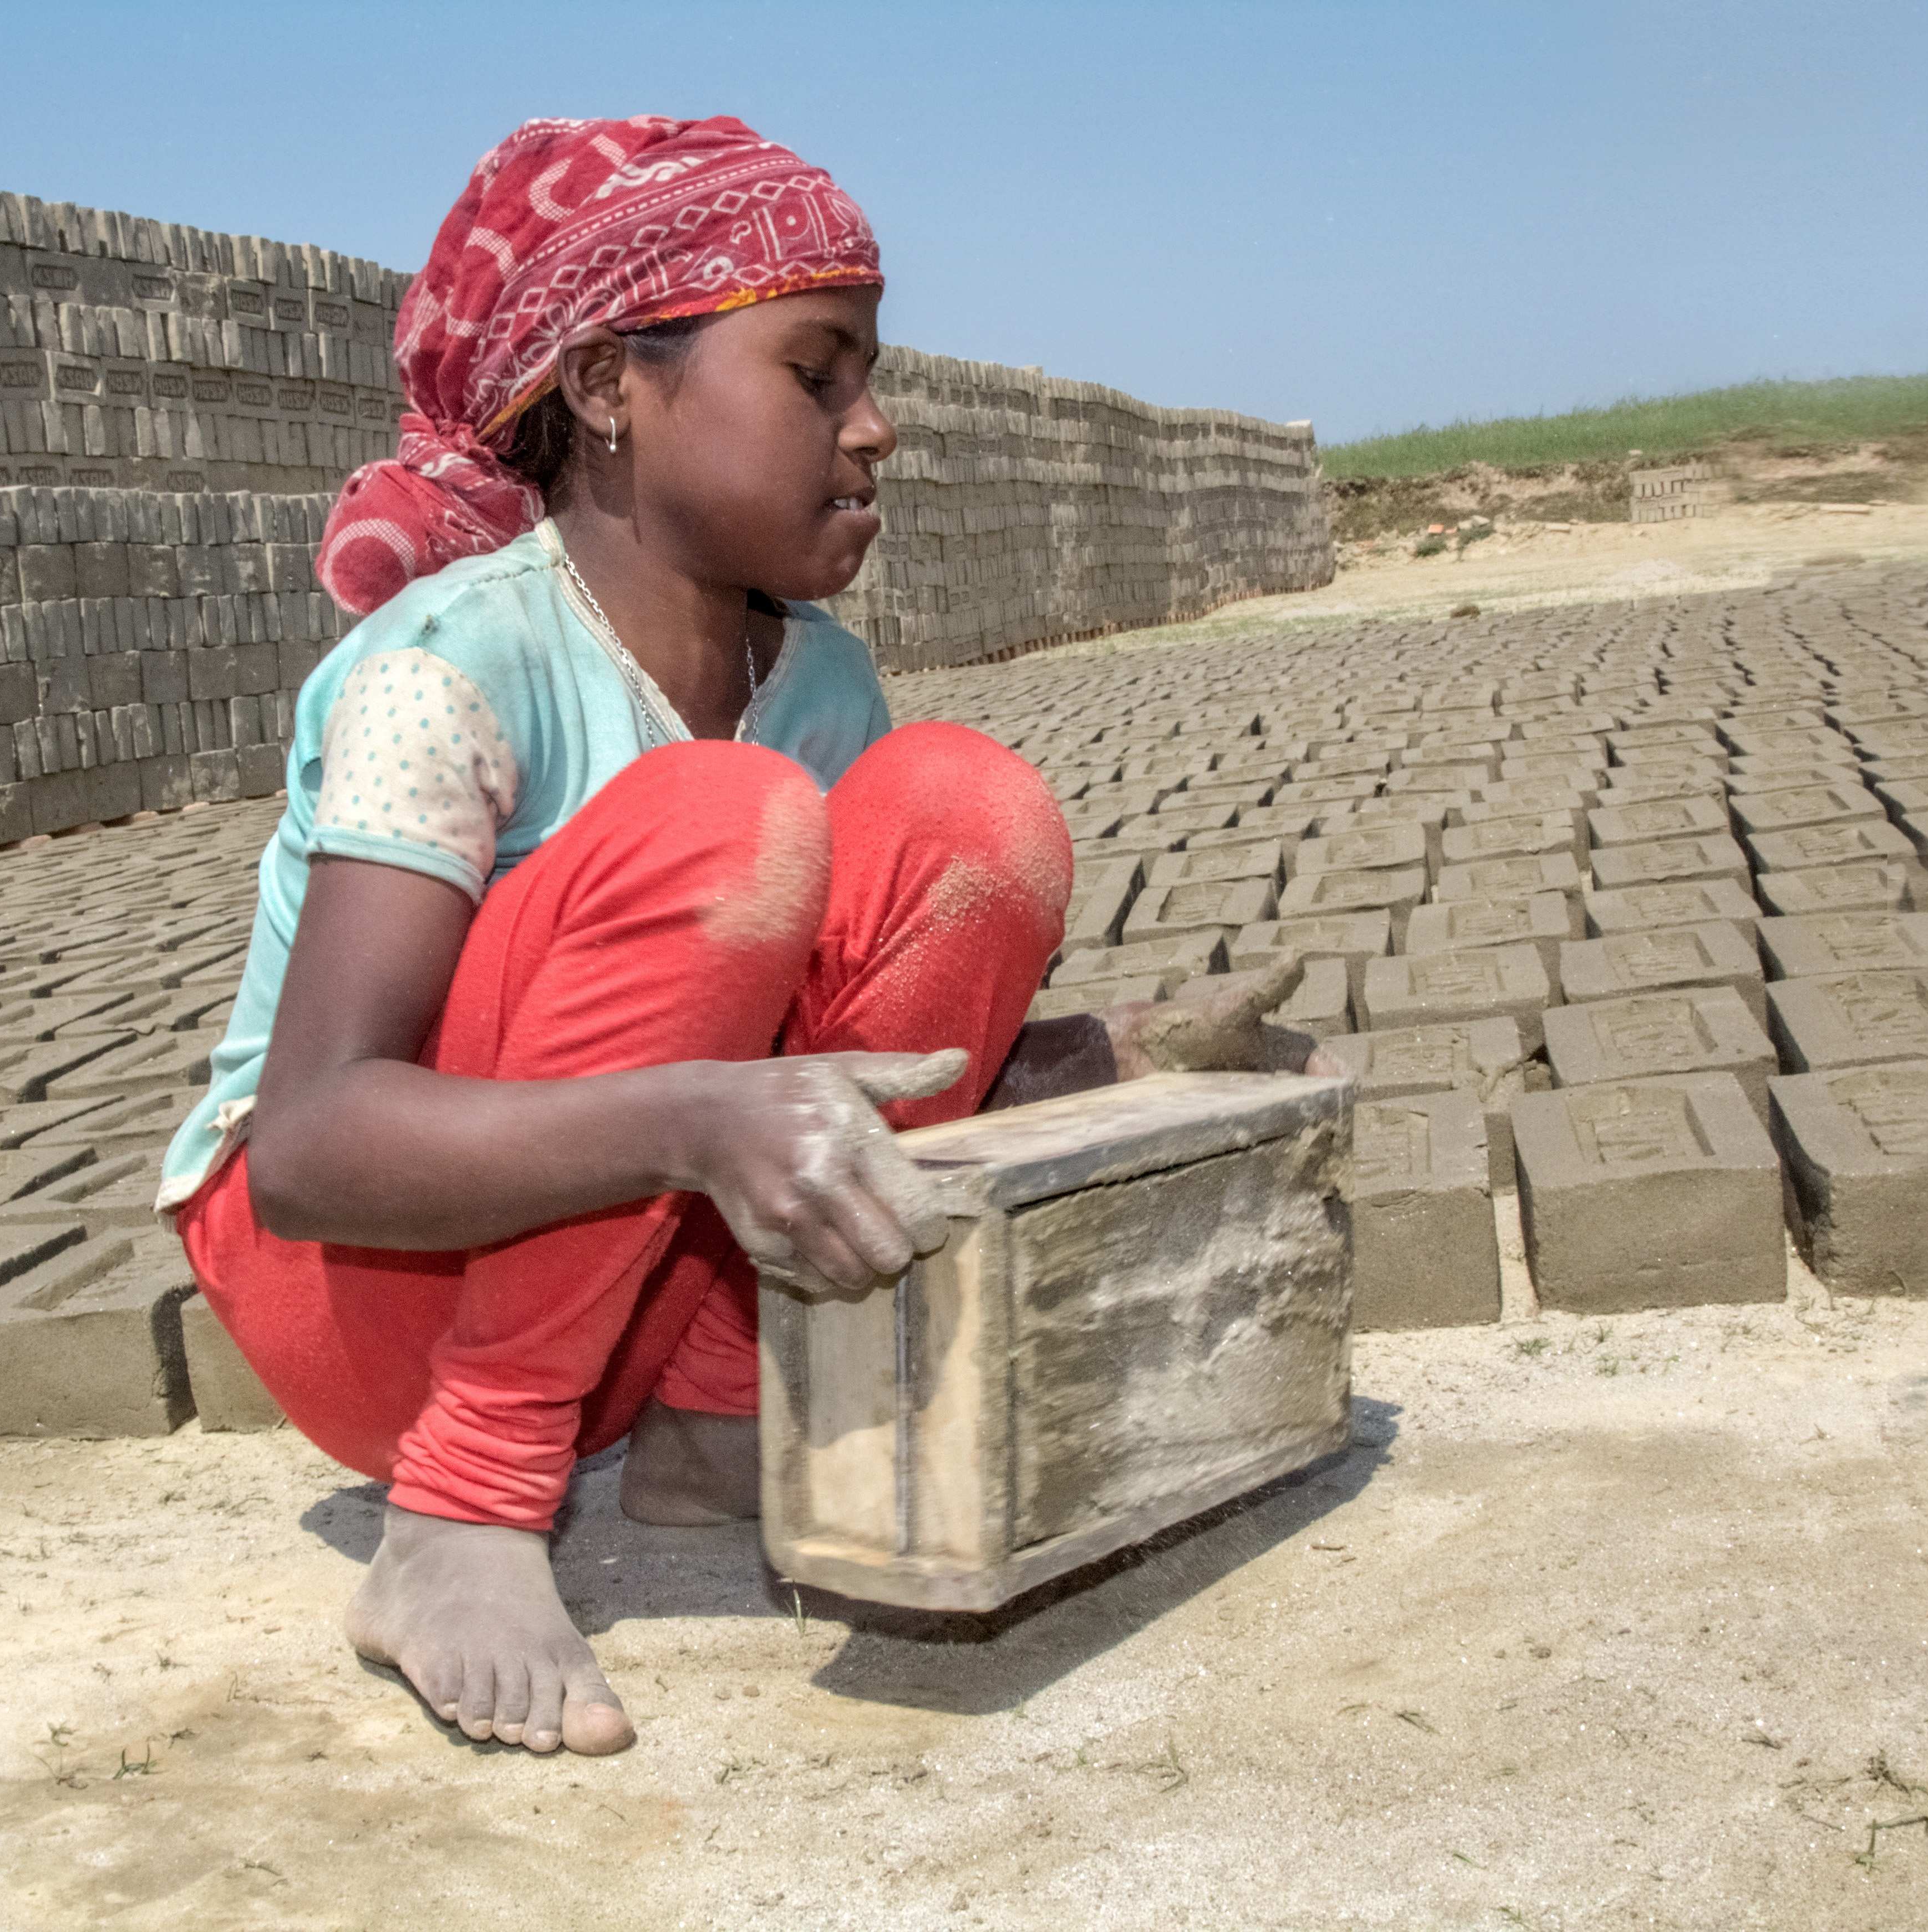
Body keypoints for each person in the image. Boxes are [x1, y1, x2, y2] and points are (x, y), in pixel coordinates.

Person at [161, 115, 1296, 1758]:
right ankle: (464, 1514)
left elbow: (826, 1050)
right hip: (362, 1291)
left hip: (629, 1290)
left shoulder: (820, 682)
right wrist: (695, 1115)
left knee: (971, 813)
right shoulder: (453, 665)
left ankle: (714, 1417)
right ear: (615, 388)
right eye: (817, 374)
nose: (876, 427)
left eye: (868, 377)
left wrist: (1106, 1056)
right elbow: (314, 1146)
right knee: (724, 824)